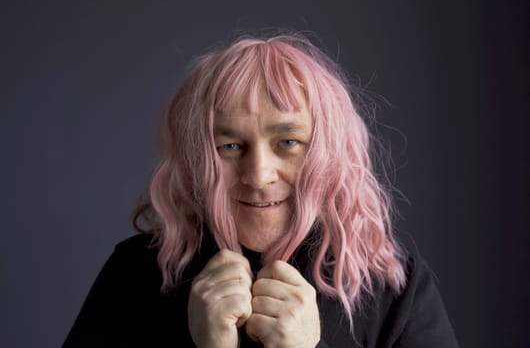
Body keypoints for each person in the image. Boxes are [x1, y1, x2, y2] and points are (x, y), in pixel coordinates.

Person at [64, 32, 459, 347]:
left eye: (288, 142)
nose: (258, 175)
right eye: (230, 147)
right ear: (199, 156)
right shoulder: (134, 274)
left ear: (326, 151)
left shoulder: (393, 287)